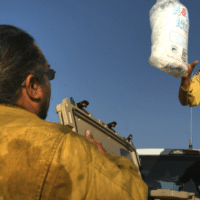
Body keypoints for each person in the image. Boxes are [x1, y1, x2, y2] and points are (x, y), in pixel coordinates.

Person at [0, 25, 148, 200]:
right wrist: (105, 158)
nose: (50, 82)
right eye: (49, 73)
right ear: (33, 87)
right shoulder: (61, 147)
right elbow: (135, 194)